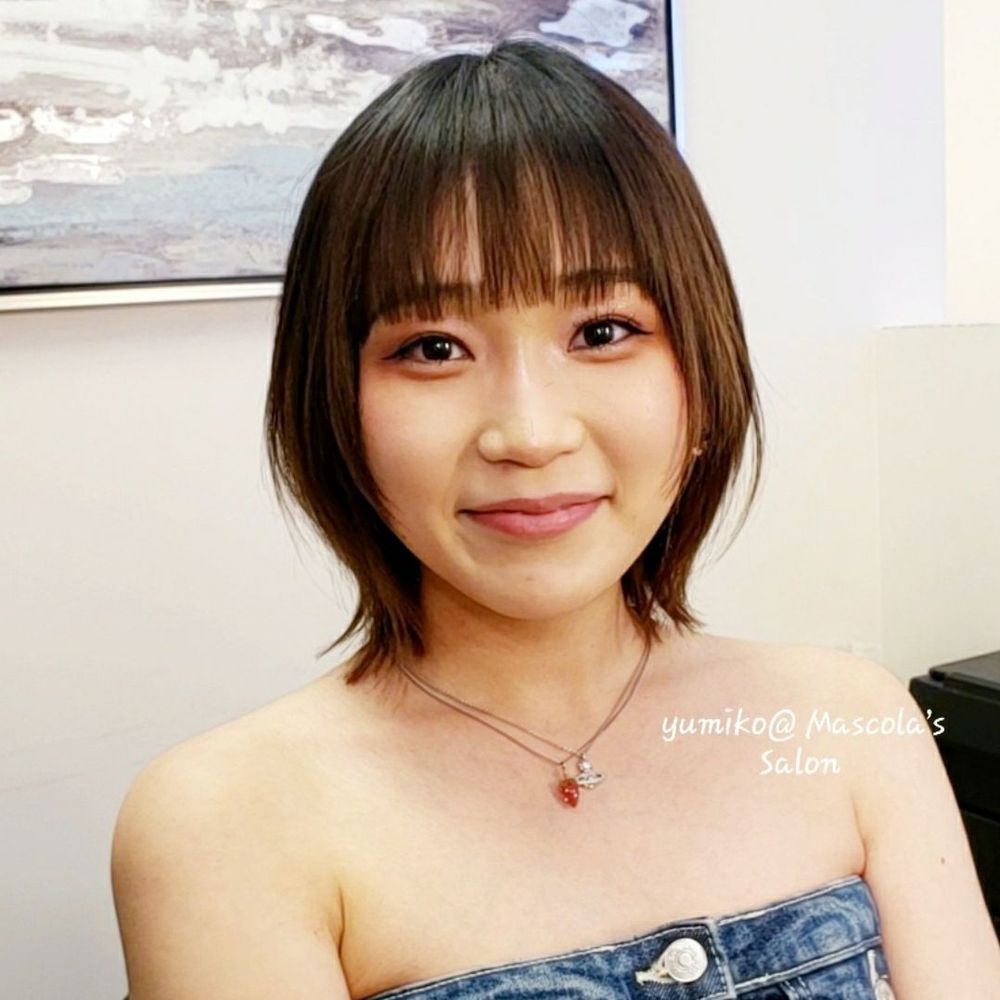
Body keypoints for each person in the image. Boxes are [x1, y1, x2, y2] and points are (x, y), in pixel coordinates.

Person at [110, 37, 1000, 1000]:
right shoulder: (227, 819)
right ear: (335, 406)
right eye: (434, 347)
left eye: (603, 332)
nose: (530, 434)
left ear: (700, 380)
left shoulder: (849, 720)